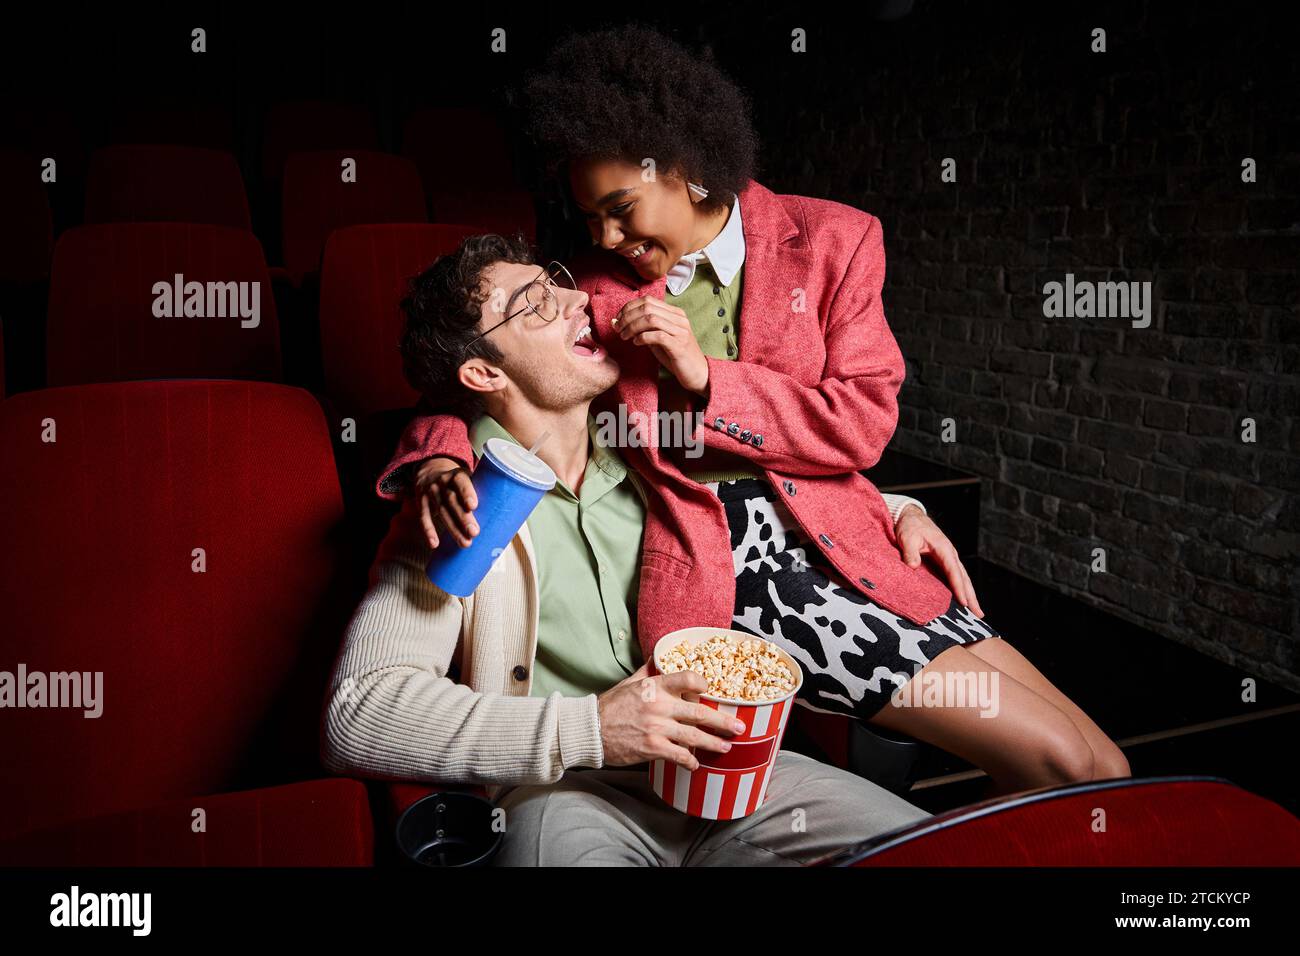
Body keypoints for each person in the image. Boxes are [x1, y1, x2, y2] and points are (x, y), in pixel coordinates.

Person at [377, 26, 1130, 796]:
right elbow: (477, 379)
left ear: (688, 170)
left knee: (1105, 765)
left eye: (620, 208)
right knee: (1060, 763)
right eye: (590, 216)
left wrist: (713, 380)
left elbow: (863, 424)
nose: (604, 237)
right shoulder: (596, 289)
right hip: (742, 569)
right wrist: (440, 458)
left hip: (855, 537)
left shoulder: (837, 240)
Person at [321, 234, 931, 866]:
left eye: (557, 281)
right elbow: (358, 714)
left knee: (931, 847)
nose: (576, 300)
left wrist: (901, 513)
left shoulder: (650, 444)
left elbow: (769, 495)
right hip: (565, 791)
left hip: (720, 766)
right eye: (534, 302)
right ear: (484, 373)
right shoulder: (456, 504)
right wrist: (591, 730)